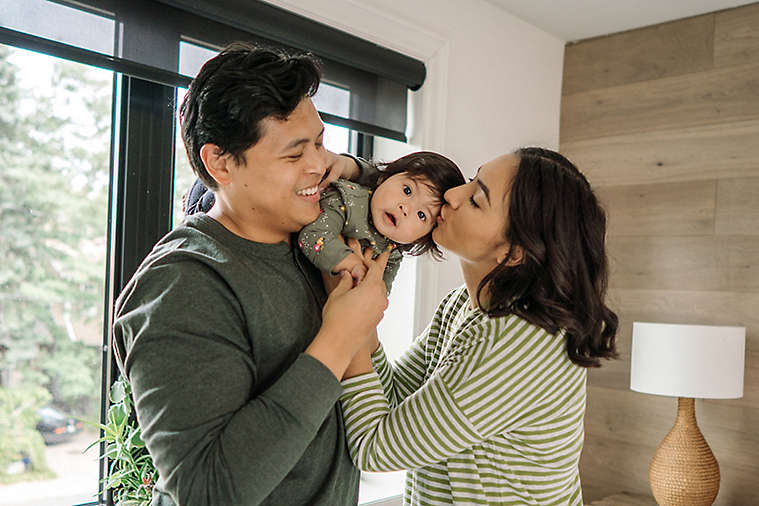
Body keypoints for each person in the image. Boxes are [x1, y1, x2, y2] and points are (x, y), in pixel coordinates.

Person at [112, 42, 390, 506]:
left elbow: (409, 188)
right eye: (293, 153)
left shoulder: (315, 240)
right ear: (219, 162)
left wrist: (355, 167)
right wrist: (339, 338)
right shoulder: (182, 284)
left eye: (320, 143)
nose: (319, 165)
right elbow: (205, 492)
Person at [337, 147, 619, 505]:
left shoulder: (517, 342)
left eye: (476, 200)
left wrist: (349, 318)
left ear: (514, 252)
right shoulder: (463, 305)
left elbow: (374, 449)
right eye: (471, 181)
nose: (451, 195)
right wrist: (361, 313)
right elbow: (394, 398)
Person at [298, 152, 464, 292]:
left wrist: (371, 292)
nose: (405, 209)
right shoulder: (348, 200)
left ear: (422, 236)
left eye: (422, 215)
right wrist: (352, 264)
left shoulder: (393, 252)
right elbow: (313, 235)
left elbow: (378, 295)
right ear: (383, 178)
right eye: (407, 190)